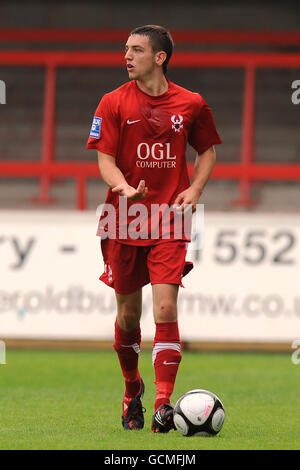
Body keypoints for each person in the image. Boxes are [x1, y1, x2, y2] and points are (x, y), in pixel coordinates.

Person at [86, 25, 222, 433]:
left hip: (171, 215)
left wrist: (195, 188)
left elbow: (208, 151)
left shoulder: (192, 103)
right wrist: (122, 186)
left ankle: (164, 405)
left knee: (166, 308)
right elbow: (105, 159)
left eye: (137, 50)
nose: (127, 56)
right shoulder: (112, 102)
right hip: (122, 216)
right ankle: (133, 389)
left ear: (159, 57)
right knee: (128, 316)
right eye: (126, 49)